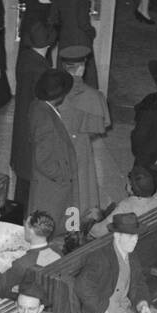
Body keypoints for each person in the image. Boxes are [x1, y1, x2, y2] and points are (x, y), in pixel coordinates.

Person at [57, 45, 112, 216]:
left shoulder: (53, 91)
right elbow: (100, 126)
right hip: (79, 146)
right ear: (81, 68)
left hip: (55, 146)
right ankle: (73, 227)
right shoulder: (94, 96)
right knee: (80, 188)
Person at [8, 19, 56, 212]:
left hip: (22, 124)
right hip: (35, 130)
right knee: (32, 178)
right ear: (49, 44)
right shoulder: (42, 71)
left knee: (22, 175)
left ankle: (18, 217)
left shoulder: (26, 59)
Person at [28, 69, 79, 237]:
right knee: (52, 226)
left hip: (49, 183)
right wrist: (63, 176)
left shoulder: (38, 106)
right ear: (60, 95)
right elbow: (43, 161)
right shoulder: (46, 121)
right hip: (52, 187)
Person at [51, 0, 97, 88]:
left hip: (65, 38)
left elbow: (54, 18)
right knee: (84, 75)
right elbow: (83, 21)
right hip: (81, 38)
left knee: (65, 73)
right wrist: (91, 32)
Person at [87, 166, 157, 238]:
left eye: (129, 182)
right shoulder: (155, 201)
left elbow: (98, 232)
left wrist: (90, 223)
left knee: (92, 213)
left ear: (131, 187)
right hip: (148, 237)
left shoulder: (127, 205)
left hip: (127, 243)